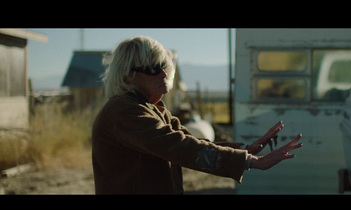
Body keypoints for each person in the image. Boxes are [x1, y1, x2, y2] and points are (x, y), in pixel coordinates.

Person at [91, 36, 303, 194]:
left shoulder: (151, 108)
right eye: (153, 68)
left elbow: (191, 141)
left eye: (164, 66)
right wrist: (250, 161)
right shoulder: (124, 111)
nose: (163, 73)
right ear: (128, 76)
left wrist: (245, 149)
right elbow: (180, 146)